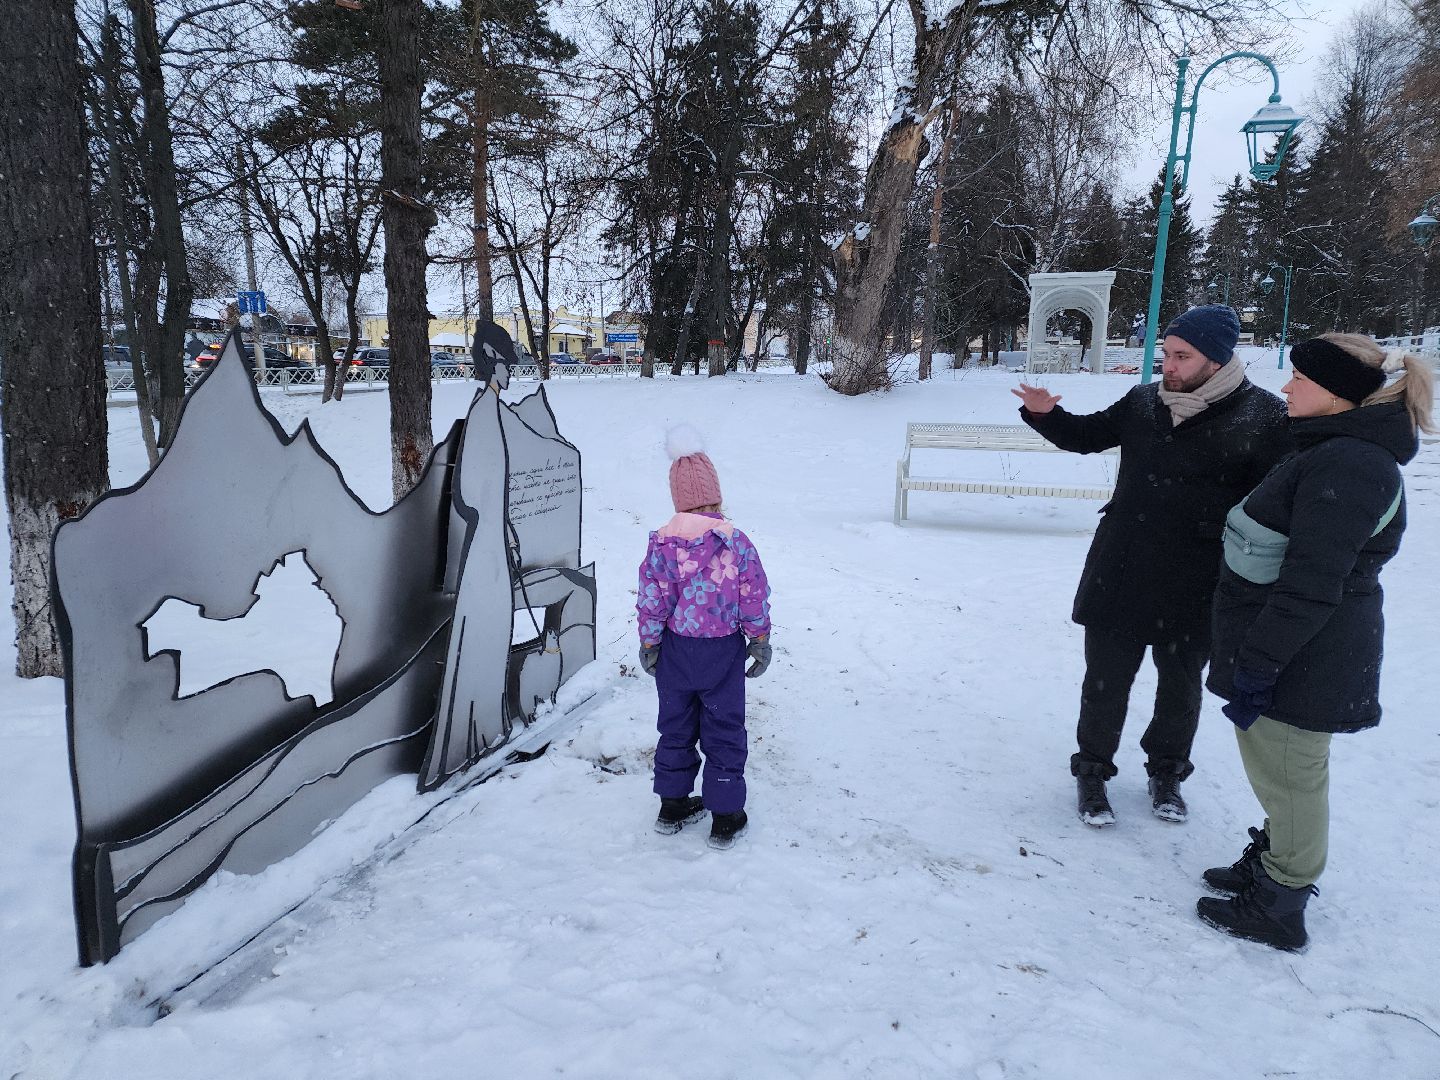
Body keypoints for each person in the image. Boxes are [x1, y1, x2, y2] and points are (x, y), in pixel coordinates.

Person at [1011, 304, 1291, 827]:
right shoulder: (1144, 401)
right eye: (1167, 353)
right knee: (1105, 681)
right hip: (1123, 565)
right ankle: (1092, 770)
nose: (1170, 365)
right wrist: (1046, 415)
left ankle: (1167, 773)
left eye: (1183, 356)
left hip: (1199, 577)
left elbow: (1275, 502)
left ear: (1217, 359)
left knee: (1180, 687)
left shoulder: (1265, 417)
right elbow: (1087, 436)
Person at [1197, 334, 1433, 950]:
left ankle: (1282, 901)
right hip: (1299, 646)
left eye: (1299, 378)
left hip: (1306, 653)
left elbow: (1312, 581)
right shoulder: (1334, 449)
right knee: (1281, 769)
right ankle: (1276, 860)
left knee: (1291, 775)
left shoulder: (1350, 465)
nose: (1285, 387)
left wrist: (1261, 663)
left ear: (1337, 394)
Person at [636, 426, 772, 850]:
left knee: (675, 726)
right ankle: (726, 815)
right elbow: (753, 593)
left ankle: (672, 804)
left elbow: (652, 598)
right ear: (716, 496)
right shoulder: (735, 543)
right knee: (723, 726)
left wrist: (650, 642)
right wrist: (759, 637)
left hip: (676, 651)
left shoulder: (662, 544)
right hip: (722, 653)